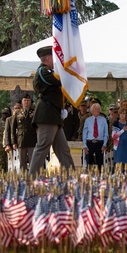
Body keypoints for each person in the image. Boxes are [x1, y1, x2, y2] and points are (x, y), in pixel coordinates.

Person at [29, 46, 76, 174]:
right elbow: (58, 81)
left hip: (53, 115)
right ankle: (31, 178)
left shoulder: (49, 71)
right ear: (48, 58)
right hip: (47, 114)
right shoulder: (43, 71)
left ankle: (71, 175)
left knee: (63, 149)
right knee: (43, 147)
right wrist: (66, 72)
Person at [10, 93, 37, 172]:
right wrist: (14, 142)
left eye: (28, 100)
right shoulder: (17, 113)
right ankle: (23, 177)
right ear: (22, 102)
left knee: (32, 161)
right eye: (25, 100)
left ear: (30, 102)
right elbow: (13, 129)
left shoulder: (34, 112)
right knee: (22, 162)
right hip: (21, 140)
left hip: (32, 140)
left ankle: (32, 177)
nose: (26, 102)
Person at [82, 102, 108, 167]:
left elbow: (106, 133)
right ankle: (90, 175)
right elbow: (85, 133)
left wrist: (104, 144)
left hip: (100, 143)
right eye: (95, 109)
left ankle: (99, 176)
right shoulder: (88, 120)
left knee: (100, 163)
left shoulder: (103, 120)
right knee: (89, 162)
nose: (96, 110)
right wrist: (85, 145)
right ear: (92, 111)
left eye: (98, 109)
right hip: (90, 142)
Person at [0, 107, 11, 173]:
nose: (5, 115)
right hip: (0, 145)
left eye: (6, 114)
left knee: (9, 161)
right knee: (2, 161)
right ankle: (2, 174)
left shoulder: (11, 121)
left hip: (9, 144)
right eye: (3, 114)